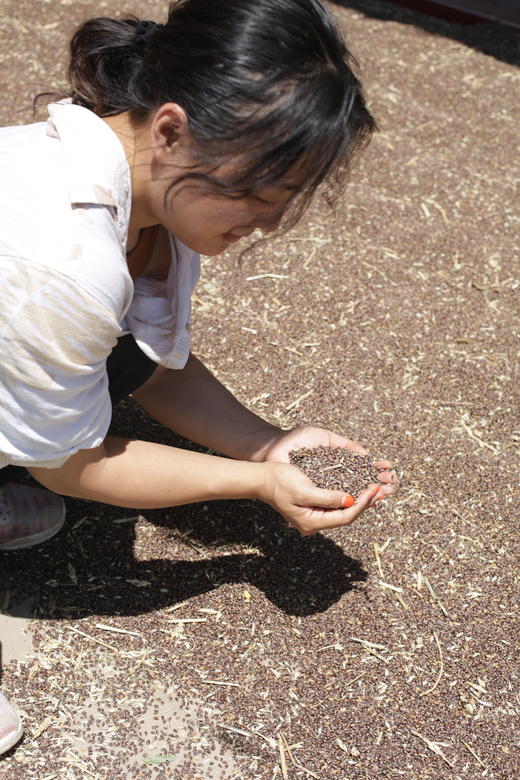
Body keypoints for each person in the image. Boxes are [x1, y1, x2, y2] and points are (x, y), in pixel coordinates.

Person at [0, 0, 397, 753]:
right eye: (258, 195)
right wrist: (257, 488)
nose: (269, 224)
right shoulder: (62, 253)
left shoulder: (150, 192)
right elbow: (72, 465)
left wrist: (263, 444)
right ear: (174, 128)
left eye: (284, 202)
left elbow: (141, 362)